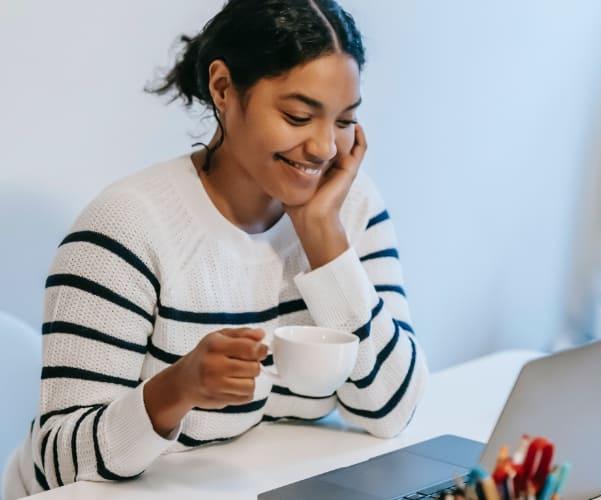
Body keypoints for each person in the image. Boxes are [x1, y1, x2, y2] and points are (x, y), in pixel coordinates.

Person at [1, 0, 429, 497]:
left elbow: (393, 410)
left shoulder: (348, 208)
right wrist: (175, 390)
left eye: (342, 121)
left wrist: (322, 237)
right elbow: (57, 465)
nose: (324, 149)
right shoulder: (125, 228)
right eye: (297, 116)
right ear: (223, 88)